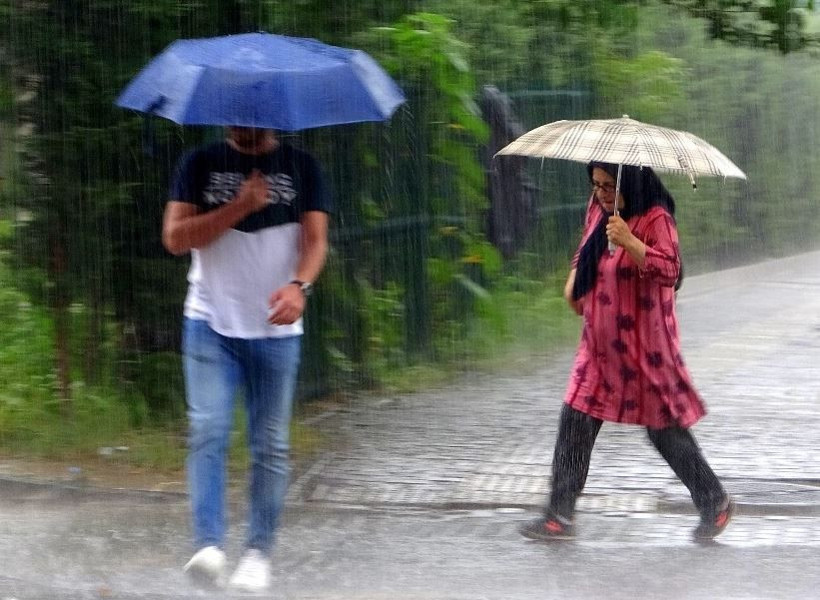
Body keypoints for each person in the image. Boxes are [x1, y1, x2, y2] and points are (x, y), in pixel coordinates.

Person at [519, 161, 733, 542]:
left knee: (663, 431)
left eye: (608, 185)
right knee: (576, 420)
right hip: (598, 347)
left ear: (630, 183)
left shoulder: (656, 218)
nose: (600, 193)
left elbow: (671, 270)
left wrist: (632, 242)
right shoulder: (598, 208)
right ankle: (558, 516)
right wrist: (574, 281)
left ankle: (714, 501)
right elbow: (585, 247)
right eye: (595, 184)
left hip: (644, 349)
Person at [162, 126, 330, 591]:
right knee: (209, 429)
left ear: (272, 119)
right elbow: (175, 238)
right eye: (234, 116)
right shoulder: (199, 163)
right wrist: (239, 206)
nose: (241, 125)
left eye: (252, 117)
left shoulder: (304, 167)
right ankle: (209, 545)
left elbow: (315, 241)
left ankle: (258, 551)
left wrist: (300, 286)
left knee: (269, 444)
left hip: (276, 331)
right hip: (209, 323)